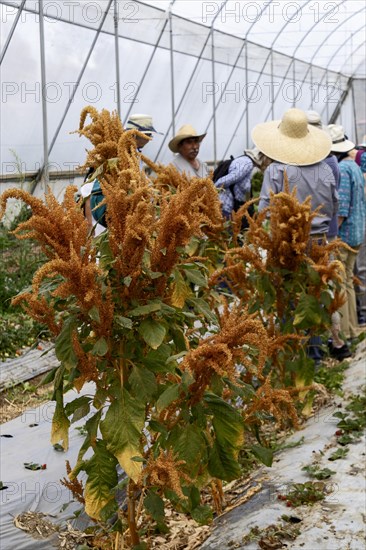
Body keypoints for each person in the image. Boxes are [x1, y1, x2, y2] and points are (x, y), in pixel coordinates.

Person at [252, 108, 349, 362]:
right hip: (319, 244)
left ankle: (291, 357)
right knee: (314, 298)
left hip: (287, 244)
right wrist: (328, 242)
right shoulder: (327, 170)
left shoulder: (275, 171)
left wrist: (264, 244)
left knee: (287, 299)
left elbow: (264, 212)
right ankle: (314, 358)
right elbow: (333, 208)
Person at [82, 114, 161, 233]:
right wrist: (90, 226)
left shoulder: (135, 155)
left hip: (128, 220)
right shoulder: (113, 154)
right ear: (135, 134)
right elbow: (88, 190)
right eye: (148, 134)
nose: (150, 138)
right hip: (108, 221)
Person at [327, 124, 366, 342]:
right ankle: (353, 327)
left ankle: (345, 331)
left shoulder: (342, 169)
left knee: (342, 283)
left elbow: (341, 210)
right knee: (349, 282)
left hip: (347, 234)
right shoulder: (355, 167)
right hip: (359, 231)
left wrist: (333, 236)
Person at [213, 147, 271, 221]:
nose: (270, 163)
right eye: (270, 160)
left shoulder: (249, 164)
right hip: (224, 209)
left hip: (230, 211)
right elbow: (222, 181)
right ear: (264, 157)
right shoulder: (247, 163)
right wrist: (212, 196)